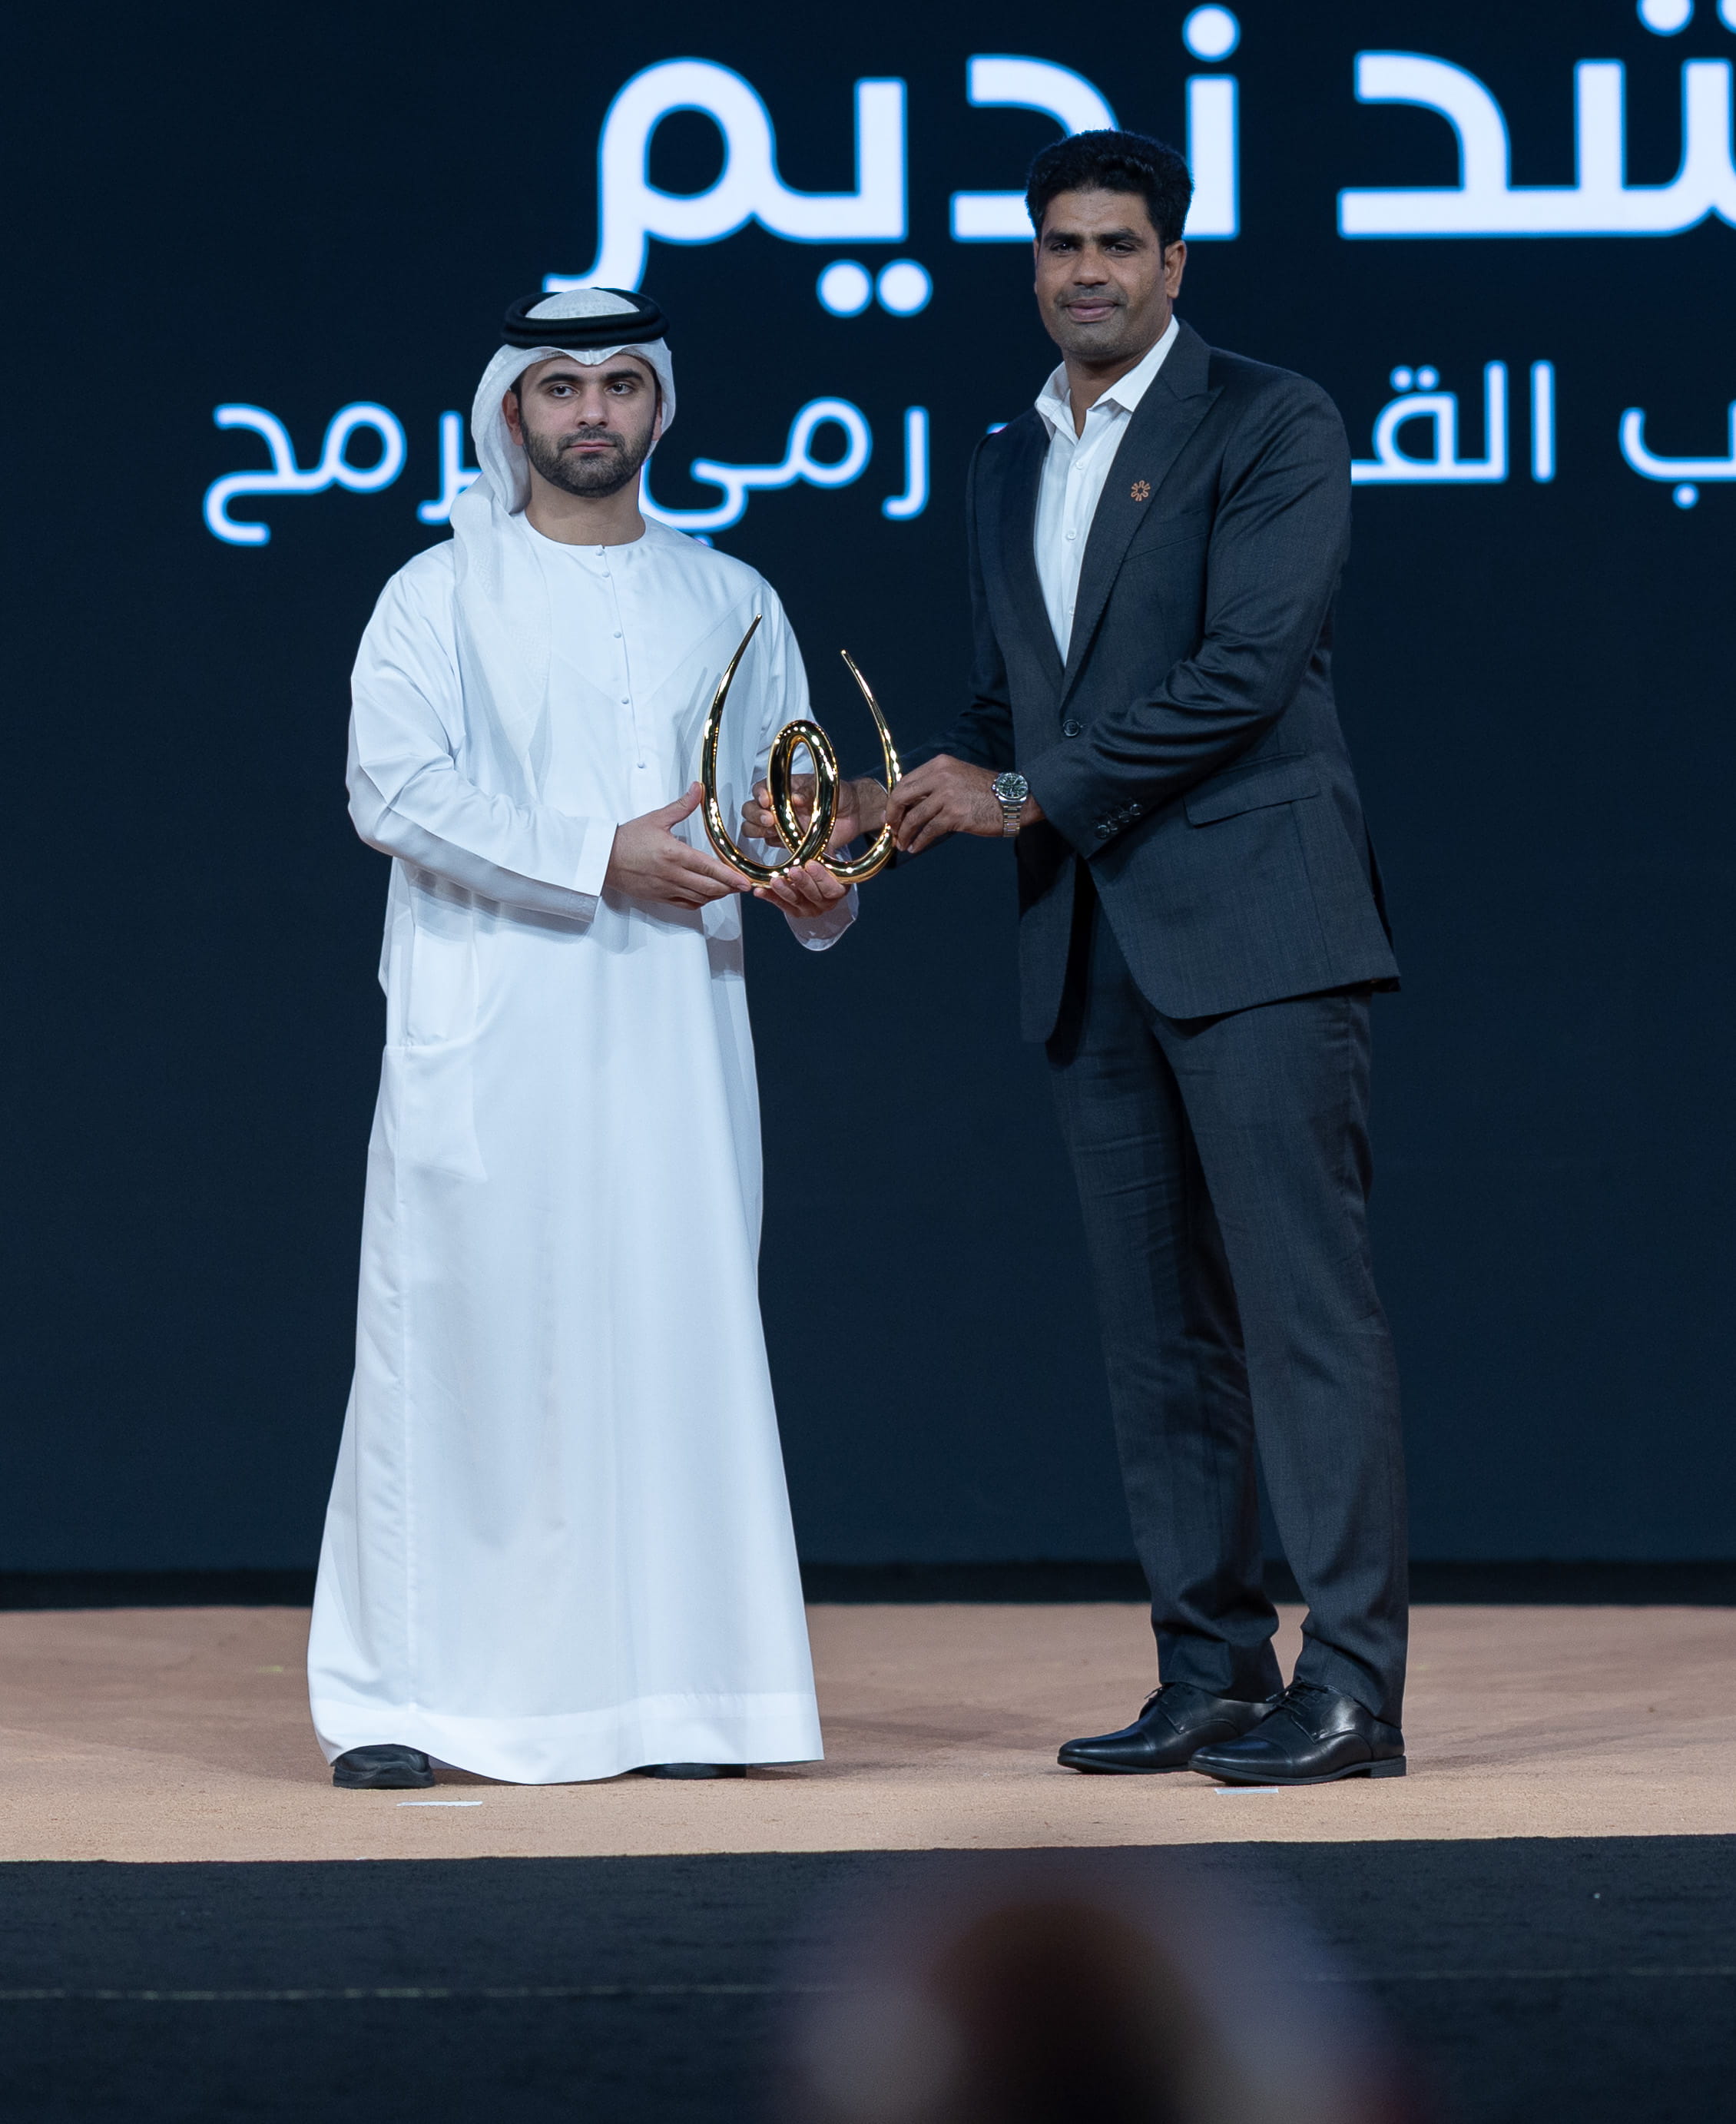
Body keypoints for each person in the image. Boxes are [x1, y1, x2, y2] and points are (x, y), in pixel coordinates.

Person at [818, 130, 1409, 1785]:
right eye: (1061, 245)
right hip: (1089, 941)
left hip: (1261, 930)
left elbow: (1245, 671)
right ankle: (1209, 1668)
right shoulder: (1006, 458)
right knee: (1159, 1338)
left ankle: (1351, 1687)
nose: (1087, 270)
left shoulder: (1271, 419)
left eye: (1118, 245)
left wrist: (1020, 793)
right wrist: (884, 805)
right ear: (1033, 267)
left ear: (1173, 265)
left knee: (1302, 1319)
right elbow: (1016, 703)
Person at [307, 286, 850, 1790]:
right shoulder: (435, 593)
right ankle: (406, 1702)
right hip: (491, 1020)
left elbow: (777, 809)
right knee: (465, 1347)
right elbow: (390, 789)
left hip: (677, 1025)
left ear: (659, 406)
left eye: (620, 382)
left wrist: (813, 886)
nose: (592, 410)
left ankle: (681, 1701)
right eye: (561, 384)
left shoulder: (733, 596)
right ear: (513, 410)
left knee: (672, 1341)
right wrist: (591, 855)